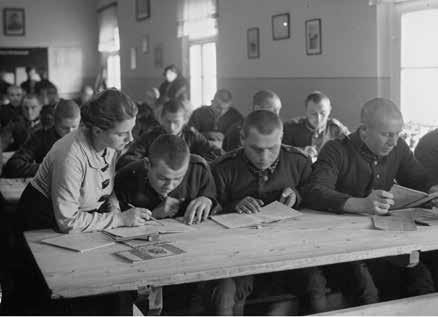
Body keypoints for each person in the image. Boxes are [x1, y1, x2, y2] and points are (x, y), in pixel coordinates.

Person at [302, 97, 437, 303]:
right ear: (364, 130)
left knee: (423, 284)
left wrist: (433, 190)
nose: (393, 142)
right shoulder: (336, 149)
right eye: (386, 135)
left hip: (386, 239)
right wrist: (361, 204)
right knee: (366, 292)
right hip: (344, 243)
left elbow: (418, 178)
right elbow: (315, 191)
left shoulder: (398, 147)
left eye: (397, 134)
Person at [208, 110, 327, 315]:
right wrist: (233, 206)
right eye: (256, 149)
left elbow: (315, 197)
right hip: (238, 252)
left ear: (281, 138)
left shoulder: (299, 162)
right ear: (242, 139)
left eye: (272, 149)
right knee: (226, 293)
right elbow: (210, 208)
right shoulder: (222, 168)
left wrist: (297, 195)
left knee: (315, 284)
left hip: (290, 248)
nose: (264, 157)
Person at [16, 88, 151, 233]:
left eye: (131, 130)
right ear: (97, 131)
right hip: (41, 224)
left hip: (78, 223)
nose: (130, 138)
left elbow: (102, 190)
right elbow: (68, 222)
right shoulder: (70, 155)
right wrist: (120, 219)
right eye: (121, 133)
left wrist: (114, 209)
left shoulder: (109, 144)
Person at [117, 99, 223, 169]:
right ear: (161, 119)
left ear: (185, 120)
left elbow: (217, 153)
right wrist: (151, 166)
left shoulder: (191, 135)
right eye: (168, 121)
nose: (172, 127)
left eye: (176, 122)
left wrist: (194, 164)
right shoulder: (150, 136)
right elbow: (127, 159)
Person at [3, 99, 81, 178]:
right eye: (65, 128)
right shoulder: (40, 138)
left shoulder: (87, 137)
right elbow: (13, 166)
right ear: (55, 123)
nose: (70, 132)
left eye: (74, 127)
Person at [283, 91, 349, 161]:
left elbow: (352, 146)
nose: (318, 118)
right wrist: (300, 151)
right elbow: (279, 150)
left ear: (329, 110)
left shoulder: (336, 128)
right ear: (306, 111)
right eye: (313, 113)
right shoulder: (291, 127)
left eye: (323, 113)